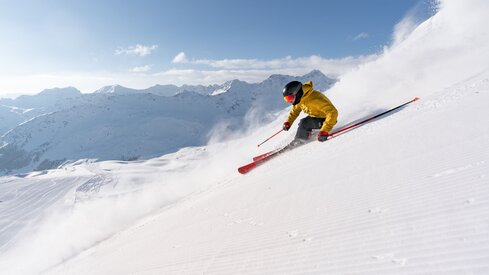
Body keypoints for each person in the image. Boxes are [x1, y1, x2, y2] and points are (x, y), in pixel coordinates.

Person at [282, 80, 338, 146]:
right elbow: (295, 112)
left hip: (327, 119)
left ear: (296, 93)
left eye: (289, 98)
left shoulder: (314, 99)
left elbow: (333, 112)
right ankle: (304, 136)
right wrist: (288, 122)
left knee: (304, 123)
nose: (290, 101)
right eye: (287, 99)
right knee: (303, 122)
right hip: (316, 117)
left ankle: (299, 141)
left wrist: (324, 131)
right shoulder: (301, 99)